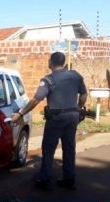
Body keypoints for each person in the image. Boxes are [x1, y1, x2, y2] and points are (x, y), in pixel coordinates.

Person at [10, 52, 87, 191]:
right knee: (69, 148)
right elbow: (83, 95)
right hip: (73, 117)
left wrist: (20, 114)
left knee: (49, 148)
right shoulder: (76, 76)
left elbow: (35, 100)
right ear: (63, 62)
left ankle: (44, 180)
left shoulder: (48, 80)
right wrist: (79, 108)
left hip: (56, 119)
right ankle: (69, 180)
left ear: (51, 62)